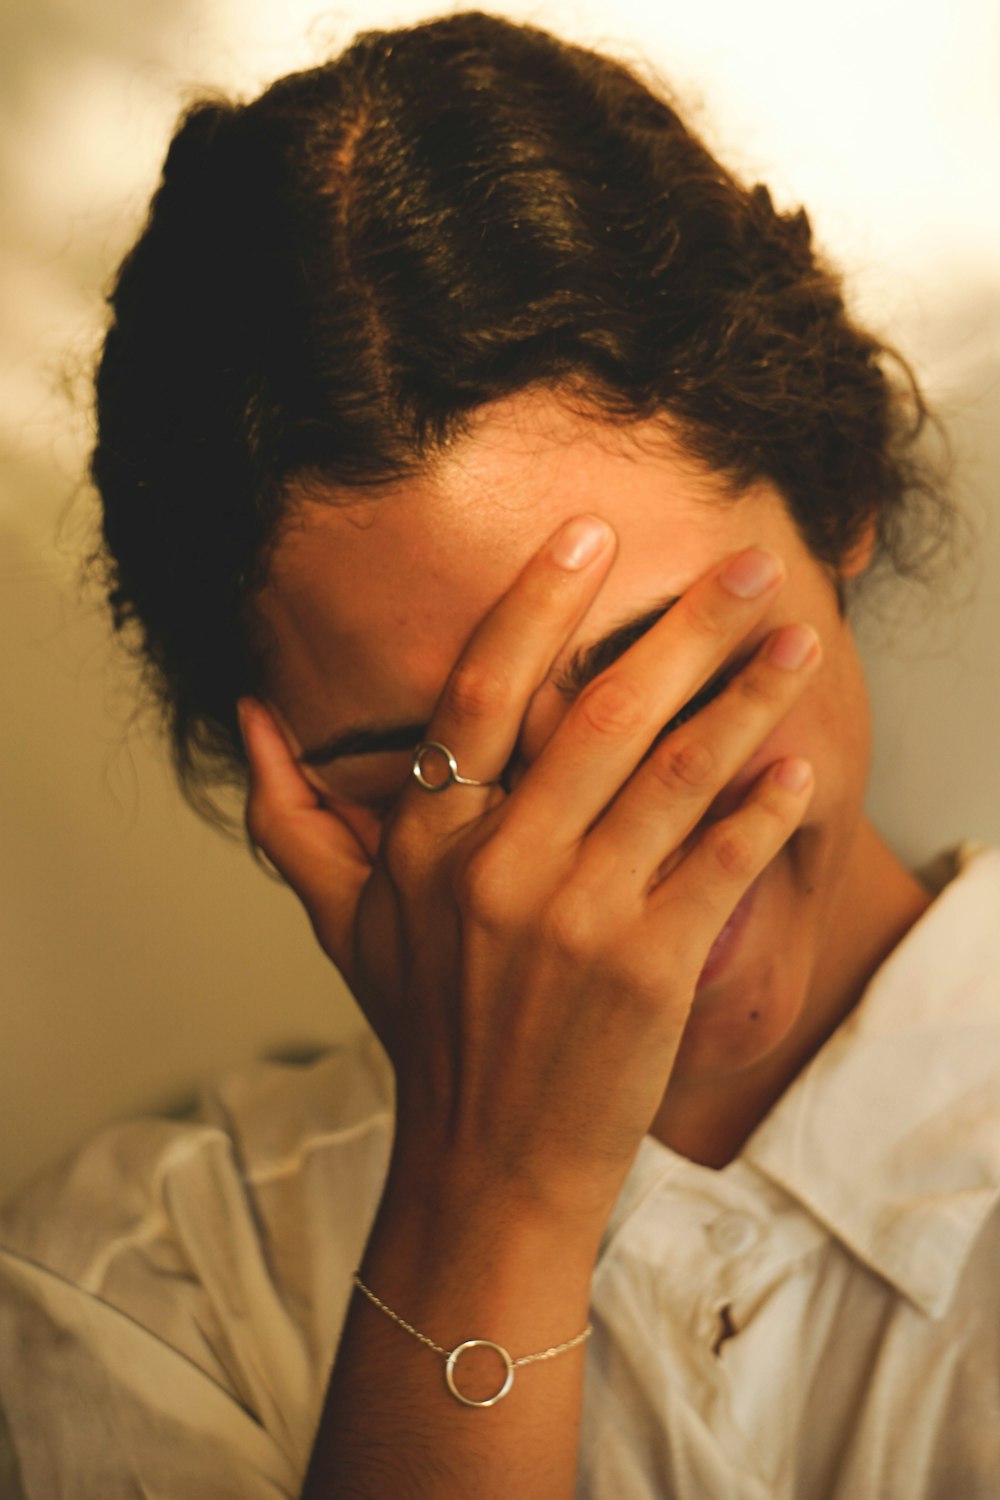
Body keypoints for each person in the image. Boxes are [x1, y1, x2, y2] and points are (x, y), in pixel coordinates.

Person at [0, 10, 996, 1499]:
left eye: (647, 669)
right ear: (272, 779)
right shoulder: (149, 1288)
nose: (589, 862)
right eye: (424, 761)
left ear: (834, 485)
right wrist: (494, 1208)